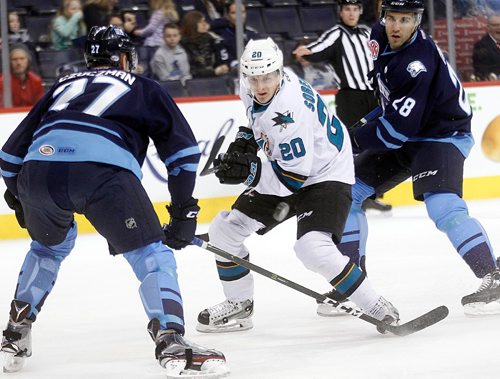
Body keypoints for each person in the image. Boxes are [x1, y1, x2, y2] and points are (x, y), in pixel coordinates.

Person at [0, 26, 229, 378]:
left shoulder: (61, 87)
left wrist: (21, 198)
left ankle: (15, 333)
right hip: (101, 174)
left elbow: (9, 156)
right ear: (124, 57)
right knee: (152, 256)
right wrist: (184, 210)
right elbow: (182, 152)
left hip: (38, 171)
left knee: (48, 248)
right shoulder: (144, 86)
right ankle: (170, 339)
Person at [195, 37, 399, 333]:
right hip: (292, 167)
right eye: (254, 78)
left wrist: (250, 172)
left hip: (326, 173)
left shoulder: (289, 114)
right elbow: (256, 122)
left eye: (267, 77)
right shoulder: (253, 86)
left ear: (279, 73)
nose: (260, 85)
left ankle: (377, 306)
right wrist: (245, 139)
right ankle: (239, 306)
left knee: (312, 247)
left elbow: (293, 179)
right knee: (224, 230)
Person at [339, 0, 500, 317]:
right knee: (348, 192)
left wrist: (351, 138)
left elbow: (394, 133)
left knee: (443, 206)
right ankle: (352, 282)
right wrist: (360, 125)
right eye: (392, 18)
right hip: (410, 131)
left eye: (405, 20)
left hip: (443, 134)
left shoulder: (419, 63)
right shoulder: (379, 35)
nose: (396, 26)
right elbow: (390, 98)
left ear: (417, 22)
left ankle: (492, 274)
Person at [293, 0, 392, 213]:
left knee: (377, 143)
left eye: (355, 9)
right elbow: (314, 50)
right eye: (347, 9)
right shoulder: (336, 33)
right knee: (353, 145)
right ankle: (352, 192)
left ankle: (371, 193)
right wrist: (304, 50)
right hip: (350, 97)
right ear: (341, 12)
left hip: (374, 97)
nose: (351, 13)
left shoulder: (367, 32)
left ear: (360, 11)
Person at [210, 0, 258, 73]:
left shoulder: (253, 34)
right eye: (234, 13)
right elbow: (226, 62)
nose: (239, 16)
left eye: (242, 12)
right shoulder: (221, 37)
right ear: (227, 16)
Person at [180, 10, 229, 78]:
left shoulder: (211, 39)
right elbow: (191, 71)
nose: (204, 24)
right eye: (200, 22)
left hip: (214, 77)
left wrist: (223, 67)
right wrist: (213, 72)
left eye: (204, 21)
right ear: (192, 25)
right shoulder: (183, 44)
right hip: (194, 81)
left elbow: (220, 59)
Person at [472, 14, 500, 81]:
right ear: (488, 27)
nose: (499, 27)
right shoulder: (480, 45)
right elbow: (480, 69)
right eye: (495, 25)